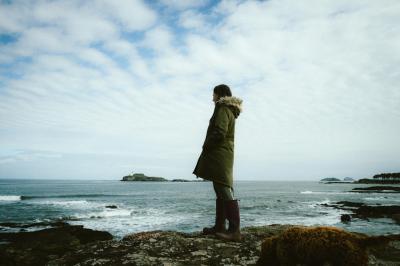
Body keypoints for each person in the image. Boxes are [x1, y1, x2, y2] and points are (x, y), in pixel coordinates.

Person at [193, 84, 243, 241]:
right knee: (219, 187)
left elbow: (220, 132)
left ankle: (234, 231)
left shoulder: (222, 109)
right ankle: (220, 226)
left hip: (220, 154)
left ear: (220, 95)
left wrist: (206, 145)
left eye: (213, 94)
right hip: (222, 154)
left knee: (223, 188)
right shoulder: (227, 109)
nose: (212, 98)